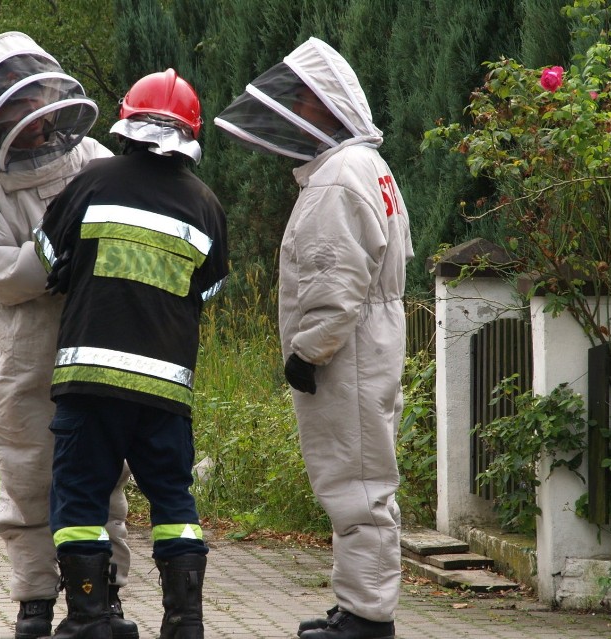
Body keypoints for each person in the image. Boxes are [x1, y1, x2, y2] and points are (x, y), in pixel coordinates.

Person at [214, 37, 413, 639]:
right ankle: (357, 605)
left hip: (346, 353)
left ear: (327, 105)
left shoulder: (337, 177)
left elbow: (333, 281)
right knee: (361, 475)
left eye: (303, 97)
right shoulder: (366, 168)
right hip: (369, 342)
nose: (295, 108)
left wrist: (307, 352)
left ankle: (367, 617)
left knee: (355, 483)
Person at [0, 31, 137, 639]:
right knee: (29, 478)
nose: (31, 121)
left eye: (37, 105)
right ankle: (34, 604)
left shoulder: (93, 161)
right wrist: (63, 259)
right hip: (25, 349)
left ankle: (102, 601)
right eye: (16, 109)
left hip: (96, 339)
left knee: (102, 477)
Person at [33, 68, 228, 639]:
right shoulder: (207, 205)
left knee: (79, 500)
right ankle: (185, 625)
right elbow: (208, 290)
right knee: (173, 499)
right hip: (165, 392)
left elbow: (49, 261)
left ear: (127, 122)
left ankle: (91, 621)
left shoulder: (91, 183)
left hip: (90, 381)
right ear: (189, 135)